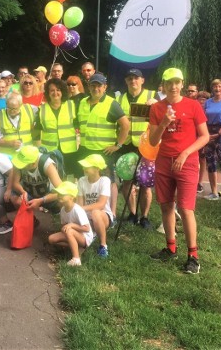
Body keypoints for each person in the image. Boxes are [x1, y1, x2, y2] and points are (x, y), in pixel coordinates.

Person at [148, 68, 208, 274]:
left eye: (177, 82)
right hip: (164, 161)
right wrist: (164, 122)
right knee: (166, 205)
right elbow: (153, 140)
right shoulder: (157, 108)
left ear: (182, 84)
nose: (173, 86)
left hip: (187, 162)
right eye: (169, 83)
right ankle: (170, 247)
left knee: (185, 208)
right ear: (163, 85)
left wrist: (185, 154)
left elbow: (204, 136)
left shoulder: (193, 105)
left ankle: (193, 256)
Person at [77, 73, 129, 217]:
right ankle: (88, 211)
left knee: (109, 182)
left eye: (99, 86)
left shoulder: (111, 103)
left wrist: (118, 145)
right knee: (87, 179)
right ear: (88, 87)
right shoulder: (82, 103)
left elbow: (125, 125)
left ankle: (111, 212)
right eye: (93, 85)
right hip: (86, 149)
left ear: (105, 87)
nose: (95, 88)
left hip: (104, 152)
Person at [115, 68, 156, 228]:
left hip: (145, 146)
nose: (133, 81)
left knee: (146, 184)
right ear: (126, 81)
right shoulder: (120, 99)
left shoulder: (152, 95)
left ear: (142, 80)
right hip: (126, 145)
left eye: (136, 78)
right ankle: (132, 214)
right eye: (130, 78)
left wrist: (157, 104)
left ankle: (144, 217)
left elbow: (167, 111)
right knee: (126, 182)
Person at [35, 78, 77, 172]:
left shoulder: (71, 105)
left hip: (69, 150)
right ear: (48, 92)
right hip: (49, 151)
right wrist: (39, 150)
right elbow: (37, 133)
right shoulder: (41, 109)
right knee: (52, 177)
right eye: (52, 90)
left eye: (58, 90)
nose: (55, 93)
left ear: (62, 92)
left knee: (69, 176)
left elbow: (78, 126)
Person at [48, 181, 94, 267]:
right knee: (51, 239)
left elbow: (86, 228)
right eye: (58, 193)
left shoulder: (77, 210)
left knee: (69, 231)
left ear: (72, 197)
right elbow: (63, 226)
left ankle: (76, 259)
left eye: (63, 194)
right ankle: (76, 248)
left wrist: (71, 225)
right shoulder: (63, 210)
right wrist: (64, 228)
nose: (59, 196)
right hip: (72, 233)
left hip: (84, 237)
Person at [6, 145, 63, 212]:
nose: (20, 167)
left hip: (47, 194)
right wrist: (23, 192)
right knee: (16, 200)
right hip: (29, 191)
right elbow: (15, 183)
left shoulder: (47, 165)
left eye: (23, 165)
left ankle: (56, 215)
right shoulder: (19, 161)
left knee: (61, 201)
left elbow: (61, 191)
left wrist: (41, 200)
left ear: (33, 164)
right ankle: (31, 218)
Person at [77, 154, 113, 257]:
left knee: (95, 213)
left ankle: (103, 245)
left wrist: (82, 209)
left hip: (103, 215)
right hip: (87, 216)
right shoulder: (81, 181)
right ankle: (90, 235)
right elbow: (80, 202)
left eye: (88, 166)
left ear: (97, 168)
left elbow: (101, 204)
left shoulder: (105, 180)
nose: (84, 168)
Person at [0, 92, 37, 157]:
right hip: (8, 157)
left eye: (15, 109)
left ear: (21, 104)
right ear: (6, 103)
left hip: (27, 155)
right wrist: (10, 143)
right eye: (9, 108)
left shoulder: (30, 109)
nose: (12, 111)